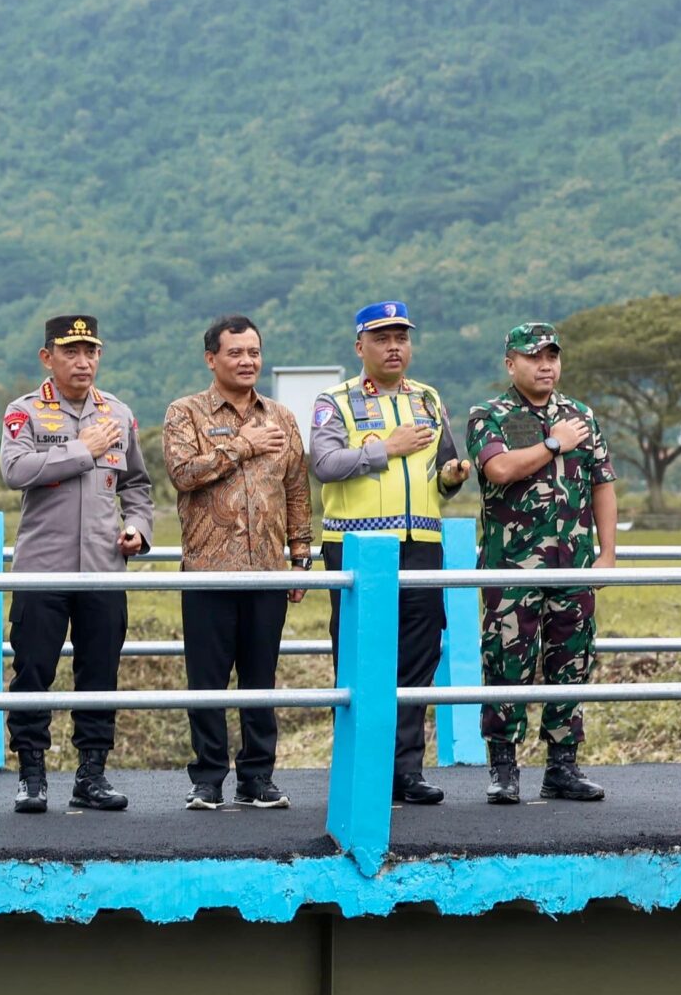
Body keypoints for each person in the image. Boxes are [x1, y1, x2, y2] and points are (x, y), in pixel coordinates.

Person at [309, 301, 471, 805]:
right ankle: (363, 767)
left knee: (417, 660)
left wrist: (451, 478)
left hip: (422, 544)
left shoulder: (428, 398)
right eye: (382, 337)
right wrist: (387, 448)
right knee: (359, 659)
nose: (394, 346)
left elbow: (443, 471)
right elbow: (324, 463)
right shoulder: (334, 401)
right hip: (358, 548)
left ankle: (406, 771)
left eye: (401, 336)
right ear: (361, 347)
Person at [1, 314, 155, 814]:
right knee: (33, 672)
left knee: (100, 673)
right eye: (71, 351)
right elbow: (15, 470)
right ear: (48, 357)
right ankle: (31, 775)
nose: (83, 361)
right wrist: (81, 450)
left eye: (91, 351)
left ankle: (92, 774)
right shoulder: (25, 412)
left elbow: (137, 485)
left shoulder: (118, 413)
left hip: (103, 568)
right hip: (42, 569)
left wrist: (139, 528)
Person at [160, 314, 312, 810]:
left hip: (268, 569)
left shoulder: (283, 418)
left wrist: (301, 555)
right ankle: (207, 779)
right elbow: (183, 473)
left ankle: (257, 777)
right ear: (211, 358)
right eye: (235, 353)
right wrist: (244, 447)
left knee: (260, 676)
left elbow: (296, 489)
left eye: (253, 352)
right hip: (208, 570)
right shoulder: (185, 413)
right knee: (206, 679)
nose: (247, 361)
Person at [465, 321, 619, 804]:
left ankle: (562, 765)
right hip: (511, 569)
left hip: (572, 565)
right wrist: (553, 444)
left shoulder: (580, 414)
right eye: (534, 357)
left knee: (570, 662)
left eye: (552, 355)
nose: (545, 364)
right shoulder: (488, 415)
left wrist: (608, 553)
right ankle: (504, 767)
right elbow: (499, 469)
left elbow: (603, 483)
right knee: (506, 664)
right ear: (511, 364)